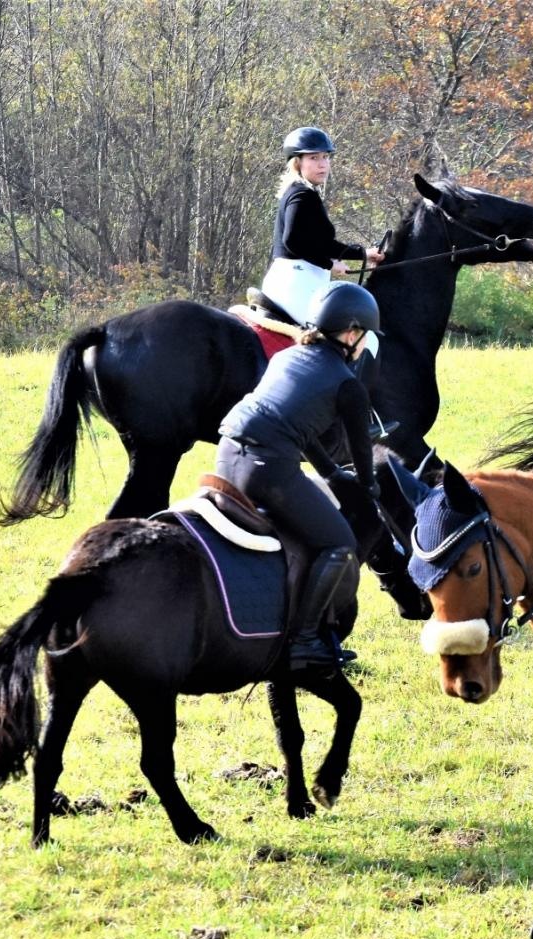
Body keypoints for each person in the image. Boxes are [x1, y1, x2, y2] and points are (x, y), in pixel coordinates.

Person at [217, 281, 381, 672]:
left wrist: (329, 473)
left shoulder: (287, 358)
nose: (364, 346)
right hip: (267, 470)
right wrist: (367, 487)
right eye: (365, 336)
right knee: (339, 542)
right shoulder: (348, 384)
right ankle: (305, 642)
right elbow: (363, 455)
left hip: (226, 456)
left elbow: (294, 426)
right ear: (352, 333)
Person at [256, 127, 385, 327]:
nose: (323, 164)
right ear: (297, 163)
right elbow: (292, 241)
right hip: (296, 284)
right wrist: (330, 264)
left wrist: (363, 254)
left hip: (295, 281)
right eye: (314, 158)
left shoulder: (301, 192)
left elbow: (323, 245)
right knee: (342, 335)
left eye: (325, 157)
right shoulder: (302, 195)